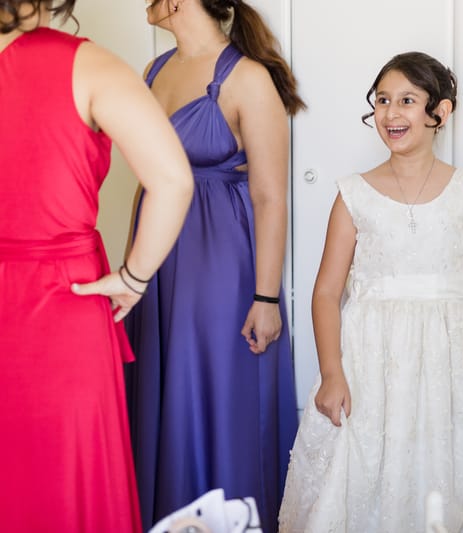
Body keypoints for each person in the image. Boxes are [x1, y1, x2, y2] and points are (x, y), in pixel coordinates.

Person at [278, 51, 463, 533]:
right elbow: (326, 292)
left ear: (441, 112)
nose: (391, 113)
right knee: (366, 467)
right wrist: (332, 373)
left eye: (407, 101)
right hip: (370, 362)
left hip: (452, 360)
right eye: (383, 101)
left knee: (449, 469)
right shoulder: (353, 194)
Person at [0, 1, 194, 531]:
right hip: (69, 295)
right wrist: (134, 277)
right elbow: (174, 181)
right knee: (69, 475)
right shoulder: (93, 66)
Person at [123, 0, 304, 530]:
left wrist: (266, 299)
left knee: (212, 392)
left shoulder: (247, 78)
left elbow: (271, 198)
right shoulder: (154, 71)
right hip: (157, 261)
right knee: (159, 394)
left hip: (218, 261)